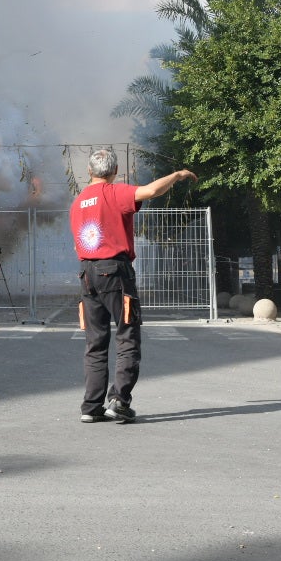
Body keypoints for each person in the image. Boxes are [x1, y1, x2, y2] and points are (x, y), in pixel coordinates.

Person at [69, 148, 195, 424]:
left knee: (95, 342)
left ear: (89, 172)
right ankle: (119, 401)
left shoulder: (78, 202)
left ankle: (91, 406)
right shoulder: (113, 193)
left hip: (86, 274)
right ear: (114, 172)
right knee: (127, 336)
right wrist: (176, 175)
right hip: (115, 270)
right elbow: (150, 192)